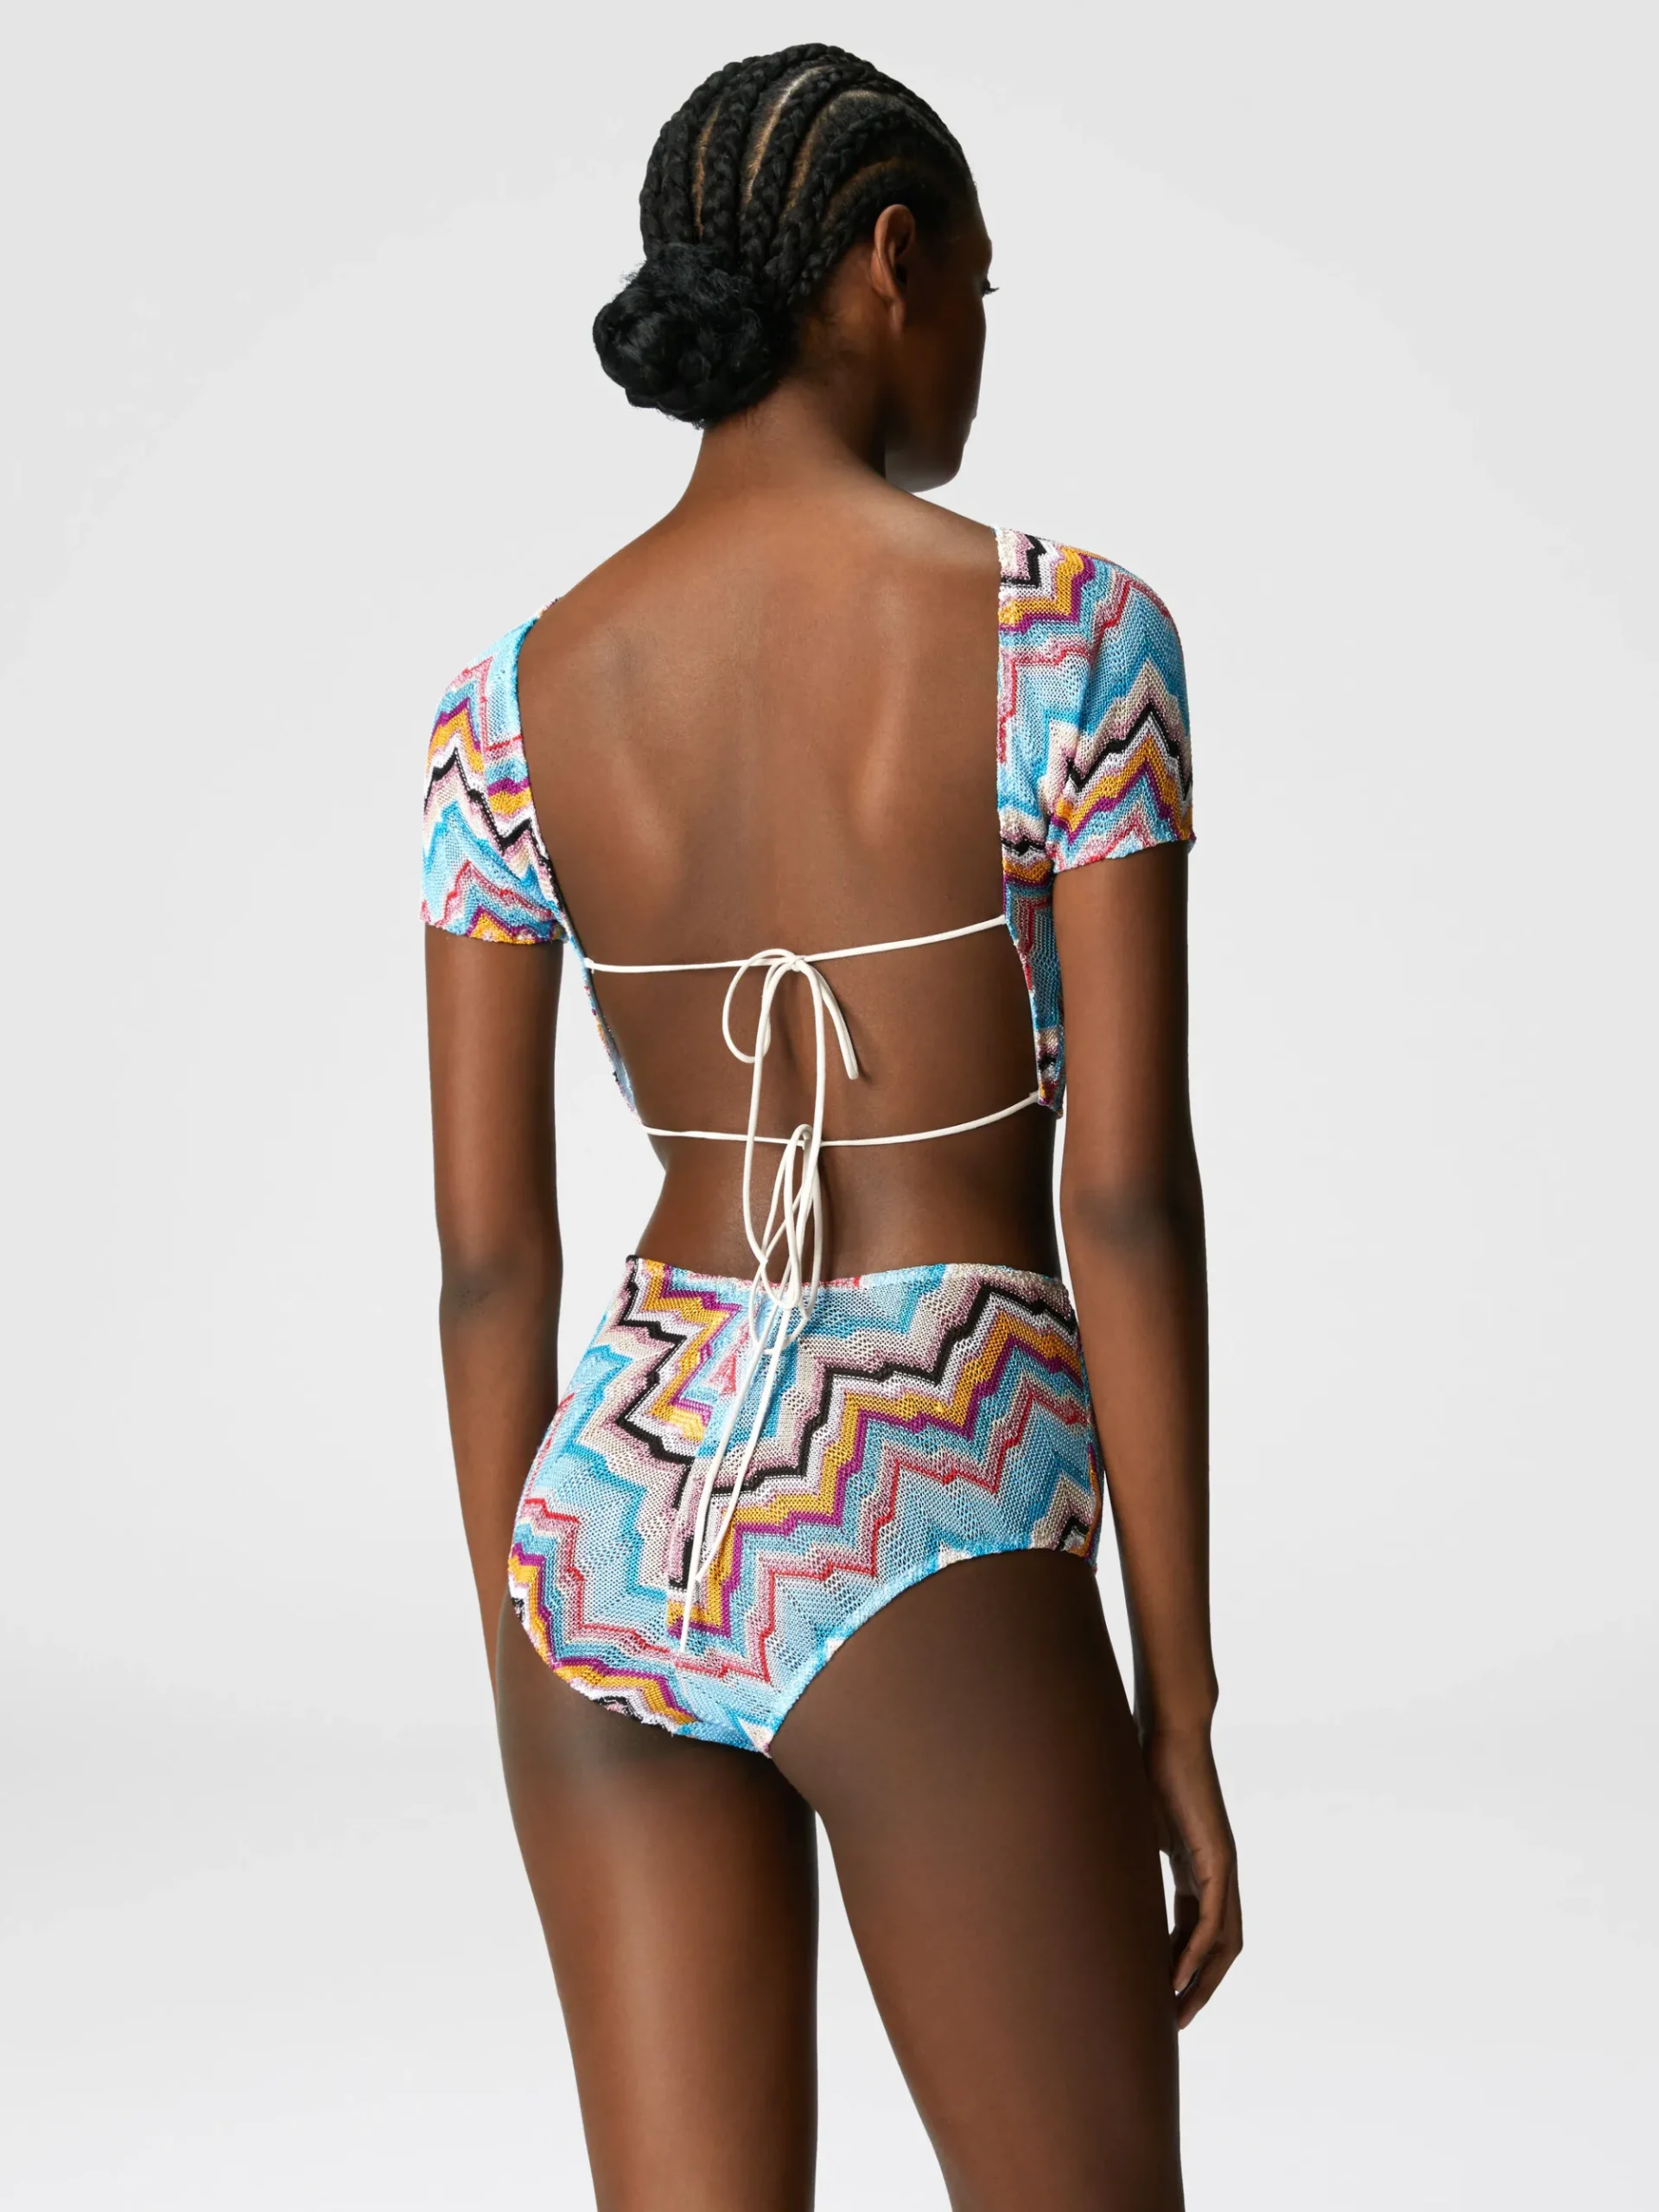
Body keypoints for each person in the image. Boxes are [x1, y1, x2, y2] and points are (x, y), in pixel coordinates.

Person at [423, 43, 1240, 2211]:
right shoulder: (1071, 638)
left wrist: (523, 1640)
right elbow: (1126, 1197)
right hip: (930, 1494)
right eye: (978, 284)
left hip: (611, 1509)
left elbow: (490, 1262)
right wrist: (1178, 1697)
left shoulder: (503, 709)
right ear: (891, 262)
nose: (976, 333)